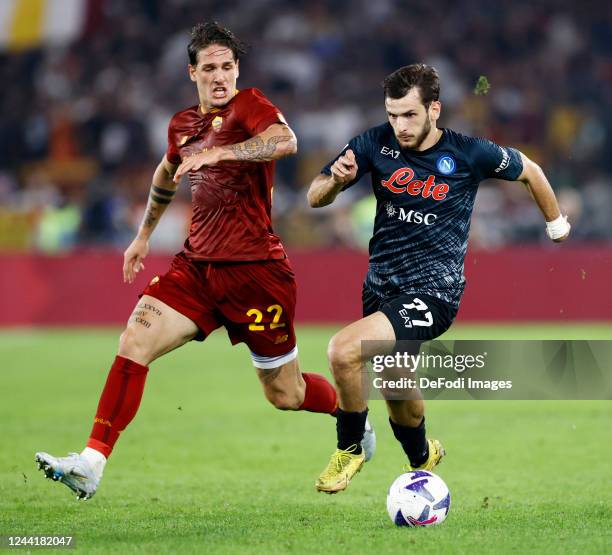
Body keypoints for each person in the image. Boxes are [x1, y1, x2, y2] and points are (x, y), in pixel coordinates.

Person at [35, 21, 374, 500]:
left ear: (238, 71)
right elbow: (168, 171)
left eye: (228, 67)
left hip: (256, 273)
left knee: (285, 395)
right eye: (210, 68)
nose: (220, 77)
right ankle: (91, 463)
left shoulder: (249, 106)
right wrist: (143, 235)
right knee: (135, 339)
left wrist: (224, 154)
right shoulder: (182, 125)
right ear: (191, 72)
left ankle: (351, 415)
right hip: (196, 269)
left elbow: (285, 140)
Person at [307, 63, 570, 494]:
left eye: (409, 115)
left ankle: (350, 448)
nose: (400, 125)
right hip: (380, 287)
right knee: (395, 384)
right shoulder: (374, 143)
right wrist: (335, 183)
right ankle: (422, 458)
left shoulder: (469, 153)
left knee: (342, 351)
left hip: (434, 291)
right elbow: (314, 195)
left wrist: (556, 224)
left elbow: (531, 171)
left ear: (435, 109)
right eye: (393, 115)